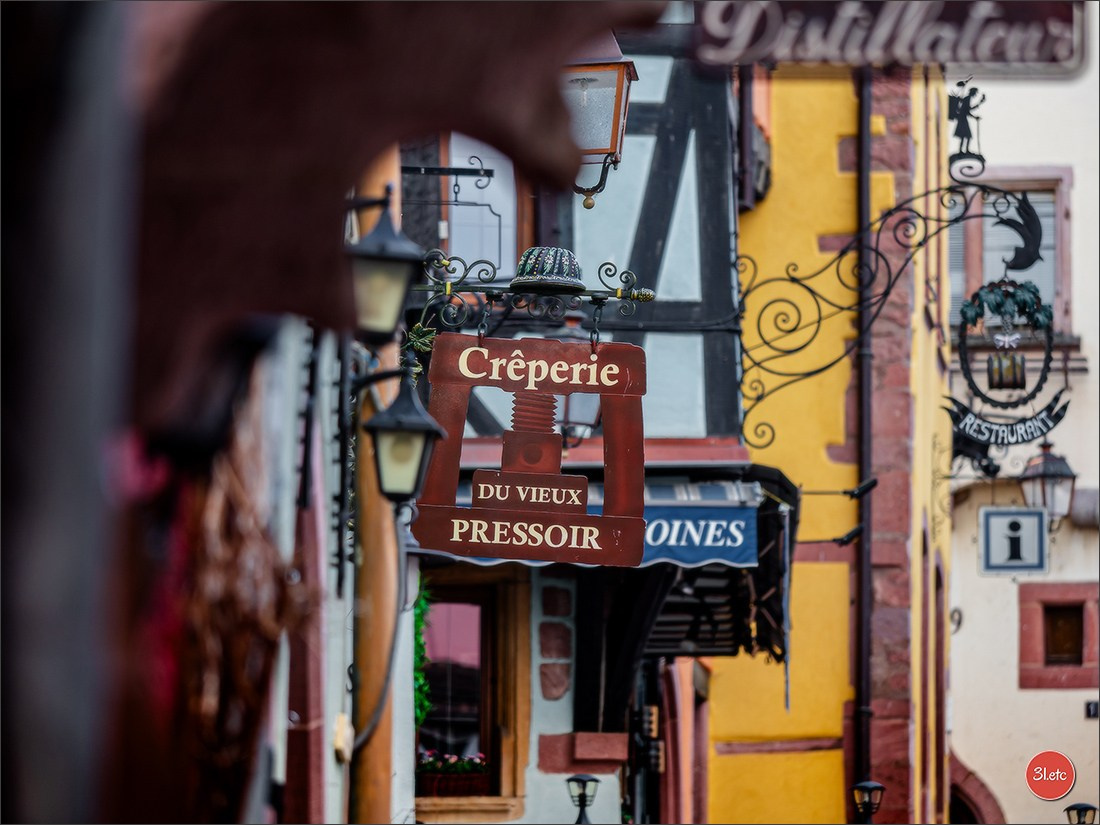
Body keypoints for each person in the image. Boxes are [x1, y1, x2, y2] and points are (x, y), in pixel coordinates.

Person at [951, 87, 985, 154]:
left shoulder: (967, 98)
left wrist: (979, 103)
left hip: (962, 119)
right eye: (975, 93)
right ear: (972, 92)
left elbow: (968, 109)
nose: (975, 94)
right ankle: (964, 150)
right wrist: (975, 117)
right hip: (962, 119)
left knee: (964, 136)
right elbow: (966, 111)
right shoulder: (967, 98)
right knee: (967, 136)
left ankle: (963, 150)